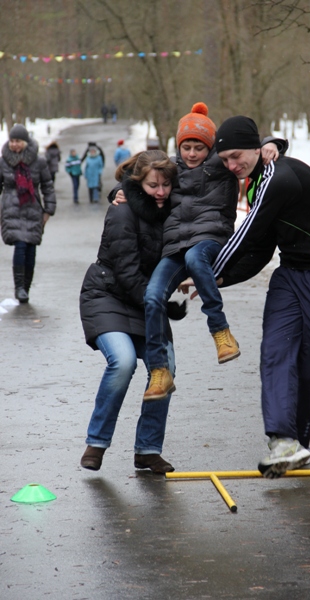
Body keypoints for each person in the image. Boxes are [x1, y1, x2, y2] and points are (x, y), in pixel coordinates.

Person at [210, 115, 310, 479]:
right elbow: (261, 251)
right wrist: (214, 281)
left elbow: (246, 235)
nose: (232, 166)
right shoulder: (260, 176)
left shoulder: (277, 178)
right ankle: (283, 442)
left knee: (309, 366)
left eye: (236, 156)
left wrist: (203, 275)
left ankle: (297, 444)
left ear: (256, 148)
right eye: (225, 159)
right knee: (275, 352)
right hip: (290, 273)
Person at [113, 103, 286, 402]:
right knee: (152, 295)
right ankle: (159, 371)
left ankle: (220, 332)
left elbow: (250, 146)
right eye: (187, 147)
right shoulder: (171, 168)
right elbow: (136, 176)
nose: (192, 154)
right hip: (175, 247)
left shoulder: (223, 164)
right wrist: (118, 193)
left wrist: (272, 144)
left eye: (199, 147)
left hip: (211, 240)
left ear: (210, 147)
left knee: (195, 258)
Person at [80, 150, 182, 474]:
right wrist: (162, 302)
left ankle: (148, 449)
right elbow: (126, 273)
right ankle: (96, 442)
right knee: (122, 361)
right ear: (138, 182)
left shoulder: (173, 211)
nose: (162, 191)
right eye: (154, 185)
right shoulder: (122, 212)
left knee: (164, 367)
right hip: (107, 295)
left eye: (167, 184)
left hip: (145, 300)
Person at [0, 123, 56, 303]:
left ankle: (26, 287)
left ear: (25, 142)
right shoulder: (3, 161)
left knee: (31, 248)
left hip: (32, 208)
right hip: (11, 207)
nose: (14, 144)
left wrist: (48, 210)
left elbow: (47, 185)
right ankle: (19, 288)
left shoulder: (38, 161)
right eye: (12, 141)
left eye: (18, 141)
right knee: (21, 244)